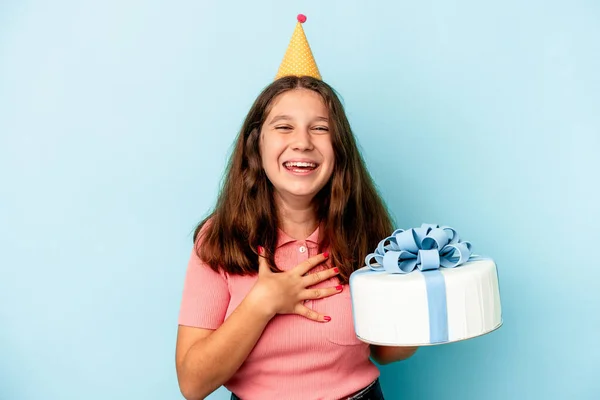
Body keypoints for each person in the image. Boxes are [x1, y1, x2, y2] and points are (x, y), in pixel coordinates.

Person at [175, 16, 418, 400]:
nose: (302, 142)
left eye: (320, 128)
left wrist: (418, 304)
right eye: (284, 127)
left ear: (339, 148)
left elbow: (389, 352)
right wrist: (263, 303)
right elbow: (192, 384)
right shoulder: (219, 240)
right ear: (256, 144)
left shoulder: (367, 233)